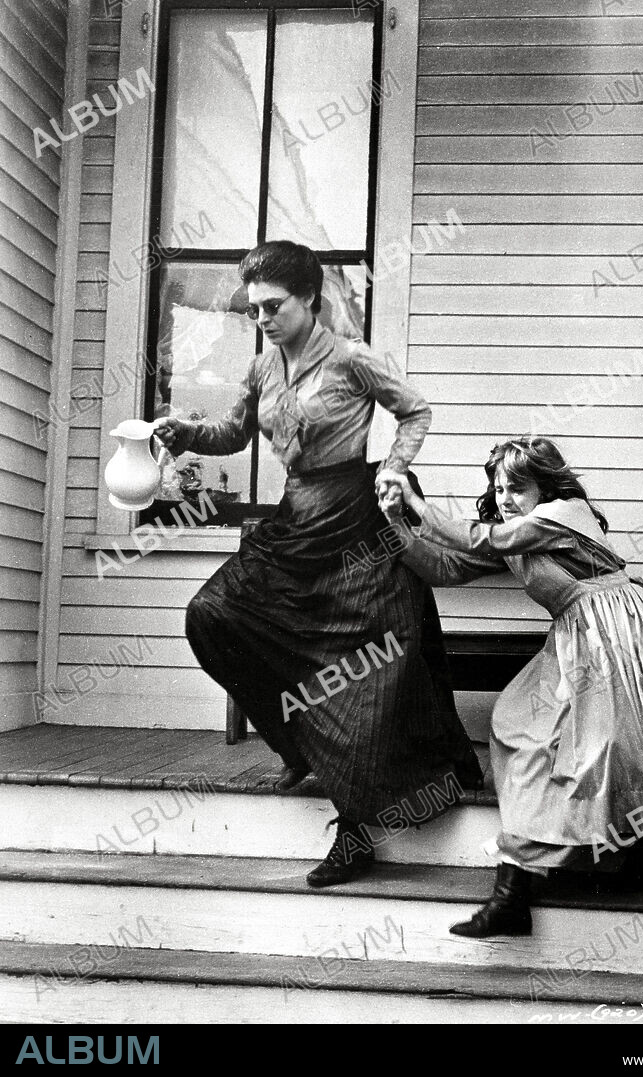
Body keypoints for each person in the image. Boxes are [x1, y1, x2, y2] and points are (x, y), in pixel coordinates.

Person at [155, 240, 482, 888]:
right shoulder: (262, 368)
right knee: (213, 614)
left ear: (309, 299)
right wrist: (184, 432)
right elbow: (235, 433)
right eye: (253, 310)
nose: (263, 319)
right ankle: (295, 743)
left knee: (365, 675)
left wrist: (392, 468)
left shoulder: (354, 360)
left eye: (273, 307)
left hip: (358, 522)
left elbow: (415, 410)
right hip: (296, 521)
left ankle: (356, 834)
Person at [378, 436, 643, 937]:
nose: (505, 497)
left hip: (621, 635)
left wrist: (413, 501)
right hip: (584, 638)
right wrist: (394, 523)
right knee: (527, 728)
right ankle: (615, 855)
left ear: (547, 484)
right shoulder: (520, 534)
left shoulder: (565, 513)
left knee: (602, 748)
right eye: (498, 488)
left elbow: (478, 540)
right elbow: (447, 567)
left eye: (517, 486)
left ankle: (551, 879)